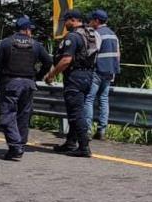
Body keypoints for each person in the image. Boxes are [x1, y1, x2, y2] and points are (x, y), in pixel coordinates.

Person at [0, 17, 52, 160]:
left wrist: (1, 81)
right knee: (24, 116)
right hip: (29, 84)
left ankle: (15, 146)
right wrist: (38, 76)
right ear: (26, 30)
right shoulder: (36, 44)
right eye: (31, 29)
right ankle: (20, 145)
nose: (31, 32)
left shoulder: (6, 43)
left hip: (11, 83)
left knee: (7, 115)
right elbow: (48, 61)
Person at [44, 10, 99, 157]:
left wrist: (51, 75)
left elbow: (66, 60)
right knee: (77, 110)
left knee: (75, 113)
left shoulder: (73, 36)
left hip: (75, 77)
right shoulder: (91, 34)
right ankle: (70, 143)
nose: (64, 24)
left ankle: (83, 147)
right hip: (88, 76)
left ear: (73, 20)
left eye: (66, 21)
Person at [84, 10, 120, 140]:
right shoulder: (113, 35)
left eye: (91, 20)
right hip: (110, 71)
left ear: (97, 21)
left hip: (97, 71)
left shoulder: (96, 34)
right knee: (104, 99)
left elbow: (91, 53)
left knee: (89, 99)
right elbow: (118, 54)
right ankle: (101, 130)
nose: (89, 23)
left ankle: (87, 131)